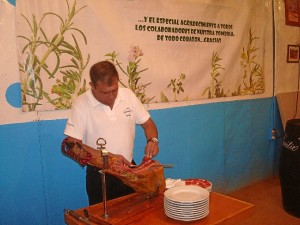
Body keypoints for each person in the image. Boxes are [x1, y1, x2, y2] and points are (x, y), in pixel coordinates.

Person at [64, 60, 159, 205]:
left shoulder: (127, 95)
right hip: (101, 175)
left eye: (115, 89)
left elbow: (148, 124)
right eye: (105, 92)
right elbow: (72, 144)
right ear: (92, 86)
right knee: (103, 217)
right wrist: (110, 159)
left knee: (132, 214)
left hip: (129, 169)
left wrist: (153, 140)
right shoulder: (81, 104)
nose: (112, 96)